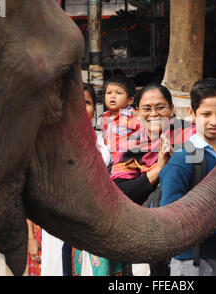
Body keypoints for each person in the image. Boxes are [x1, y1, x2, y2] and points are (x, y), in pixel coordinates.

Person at [159, 78, 216, 276]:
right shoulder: (183, 156)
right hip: (190, 259)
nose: (214, 121)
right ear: (192, 114)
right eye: (206, 114)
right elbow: (171, 212)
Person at [110, 83, 194, 276]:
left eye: (160, 107)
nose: (154, 113)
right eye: (147, 108)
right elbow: (119, 193)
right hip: (141, 235)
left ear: (172, 109)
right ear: (138, 112)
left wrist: (175, 163)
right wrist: (158, 169)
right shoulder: (130, 147)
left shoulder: (189, 137)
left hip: (186, 232)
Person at [69, 83, 123, 276]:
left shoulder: (104, 137)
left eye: (87, 103)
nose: (81, 108)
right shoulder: (56, 141)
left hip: (105, 216)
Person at [100, 75, 140, 162]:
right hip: (109, 160)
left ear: (130, 100)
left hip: (127, 161)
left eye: (118, 93)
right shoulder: (104, 117)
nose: (112, 96)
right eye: (109, 93)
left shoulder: (133, 116)